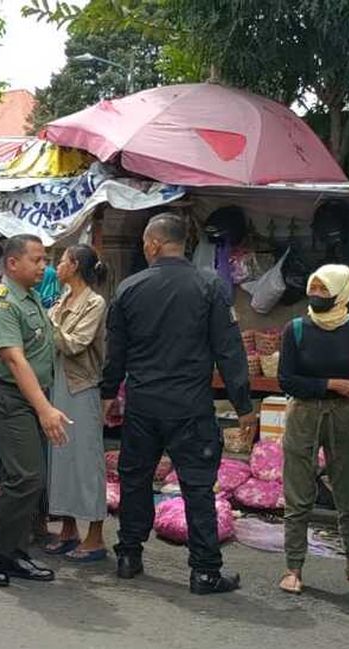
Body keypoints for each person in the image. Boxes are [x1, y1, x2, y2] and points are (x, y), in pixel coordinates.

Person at [102, 213, 254, 594]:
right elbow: (229, 350)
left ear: (154, 244)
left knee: (135, 480)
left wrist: (108, 394)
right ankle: (204, 571)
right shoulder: (209, 286)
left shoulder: (129, 288)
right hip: (190, 407)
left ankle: (128, 555)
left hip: (142, 405)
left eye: (144, 243)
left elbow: (115, 352)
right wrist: (243, 405)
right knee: (197, 488)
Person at [0, 235, 64, 587]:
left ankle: (12, 550)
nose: (44, 266)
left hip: (25, 398)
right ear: (12, 263)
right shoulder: (2, 304)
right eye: (37, 260)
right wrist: (45, 409)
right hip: (7, 399)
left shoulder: (31, 297)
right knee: (27, 477)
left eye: (45, 260)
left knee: (27, 478)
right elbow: (14, 359)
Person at [274, 264, 349, 594]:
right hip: (303, 413)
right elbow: (286, 380)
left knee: (348, 491)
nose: (315, 295)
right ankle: (293, 566)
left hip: (345, 416)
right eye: (313, 289)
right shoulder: (296, 329)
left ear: (342, 292)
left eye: (323, 290)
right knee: (298, 493)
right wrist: (331, 384)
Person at [42, 245, 109, 561]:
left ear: (75, 265)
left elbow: (76, 344)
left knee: (87, 462)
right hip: (58, 384)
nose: (57, 266)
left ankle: (95, 536)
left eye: (62, 261)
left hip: (81, 386)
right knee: (62, 458)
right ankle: (69, 529)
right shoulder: (63, 298)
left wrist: (45, 325)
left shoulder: (94, 303)